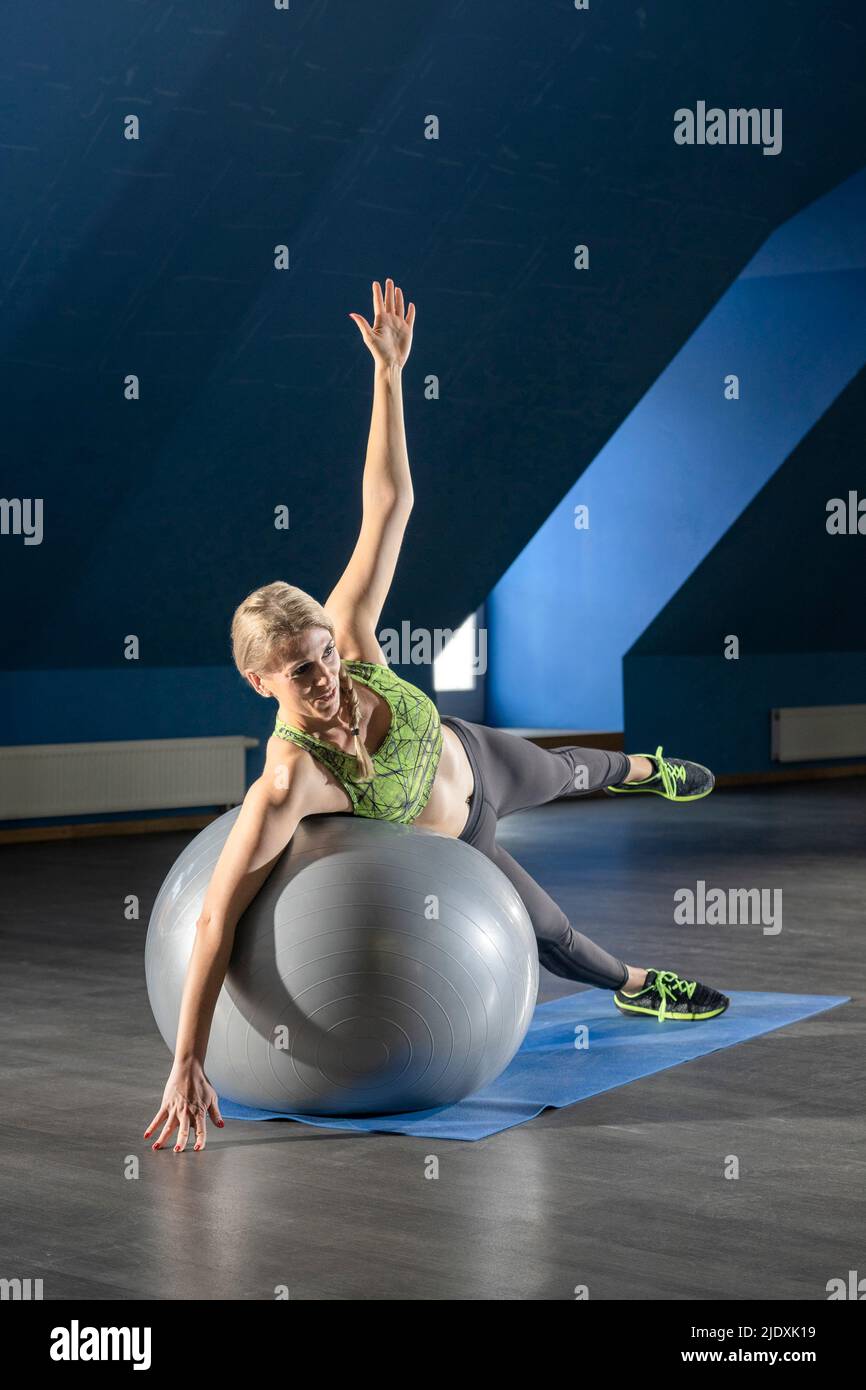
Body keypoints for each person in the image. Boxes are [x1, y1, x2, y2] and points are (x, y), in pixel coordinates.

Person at [144, 278, 728, 1156]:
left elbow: (390, 507)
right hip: (460, 849)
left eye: (328, 653)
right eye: (301, 672)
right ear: (261, 683)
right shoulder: (288, 780)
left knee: (580, 767)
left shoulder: (345, 635)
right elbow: (215, 918)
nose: (329, 676)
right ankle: (642, 986)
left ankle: (652, 770)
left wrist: (388, 376)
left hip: (476, 756)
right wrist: (188, 1057)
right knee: (556, 939)